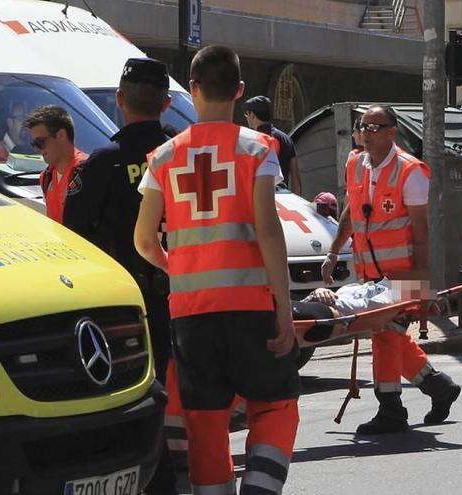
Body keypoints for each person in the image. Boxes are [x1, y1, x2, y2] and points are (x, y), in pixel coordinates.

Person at [134, 45, 299, 495]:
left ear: (191, 90)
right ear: (240, 92)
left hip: (190, 312)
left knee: (205, 420)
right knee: (276, 405)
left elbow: (144, 241)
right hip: (250, 305)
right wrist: (284, 310)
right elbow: (268, 231)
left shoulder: (163, 157)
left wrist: (181, 268)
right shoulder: (256, 149)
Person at [61, 58, 177, 494]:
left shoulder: (103, 163)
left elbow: (74, 238)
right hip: (188, 292)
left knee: (134, 394)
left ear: (119, 101)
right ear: (166, 103)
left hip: (125, 304)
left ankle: (152, 478)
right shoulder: (182, 157)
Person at [321, 106, 461, 434]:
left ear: (392, 132)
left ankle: (391, 409)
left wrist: (422, 286)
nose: (366, 133)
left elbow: (422, 233)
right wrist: (332, 252)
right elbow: (351, 213)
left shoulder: (410, 172)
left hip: (403, 276)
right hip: (371, 276)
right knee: (391, 336)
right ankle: (439, 386)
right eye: (362, 127)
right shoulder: (355, 163)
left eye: (374, 127)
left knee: (385, 336)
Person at [24, 105, 88, 223]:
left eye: (40, 142)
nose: (37, 150)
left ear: (61, 135)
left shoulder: (86, 171)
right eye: (34, 144)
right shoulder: (46, 177)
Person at [243, 95, 302, 196]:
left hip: (261, 197)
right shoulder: (286, 139)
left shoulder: (250, 140)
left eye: (246, 114)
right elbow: (295, 175)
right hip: (284, 198)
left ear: (252, 115)